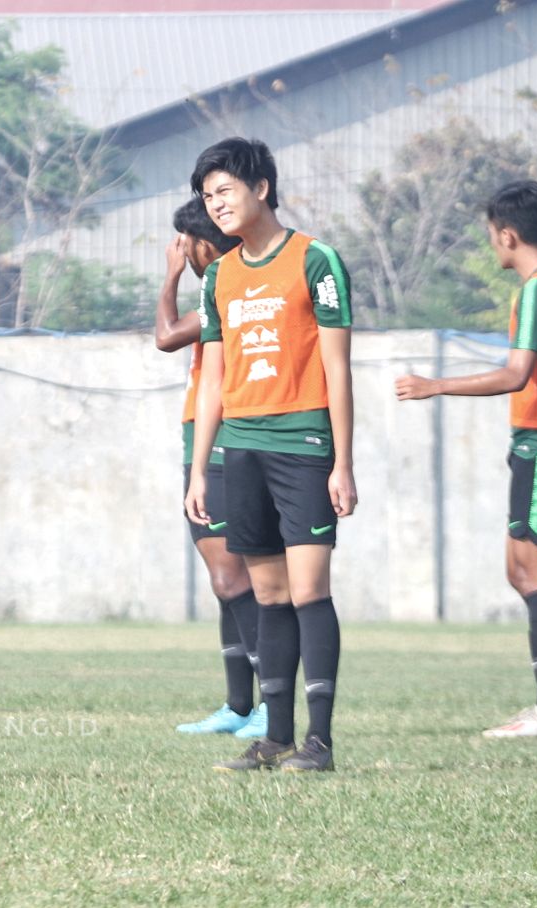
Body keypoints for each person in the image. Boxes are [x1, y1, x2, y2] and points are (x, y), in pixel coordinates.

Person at [395, 179, 537, 738]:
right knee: (524, 572)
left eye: (492, 235)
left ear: (507, 235)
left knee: (536, 573)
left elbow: (517, 374)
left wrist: (435, 385)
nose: (493, 244)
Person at [184, 138, 356, 773]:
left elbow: (338, 369)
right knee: (268, 593)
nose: (216, 204)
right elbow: (211, 380)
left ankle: (320, 742)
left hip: (305, 445)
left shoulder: (317, 261)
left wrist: (342, 460)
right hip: (242, 450)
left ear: (260, 187)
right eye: (208, 196)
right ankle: (275, 737)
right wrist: (202, 469)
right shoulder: (220, 276)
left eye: (225, 190)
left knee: (309, 591)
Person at [156, 198, 265, 740]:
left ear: (202, 243)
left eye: (185, 243)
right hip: (201, 439)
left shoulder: (227, 286)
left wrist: (171, 276)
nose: (182, 251)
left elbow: (165, 335)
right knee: (226, 583)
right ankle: (239, 705)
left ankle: (271, 703)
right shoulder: (224, 284)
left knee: (233, 577)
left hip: (226, 441)